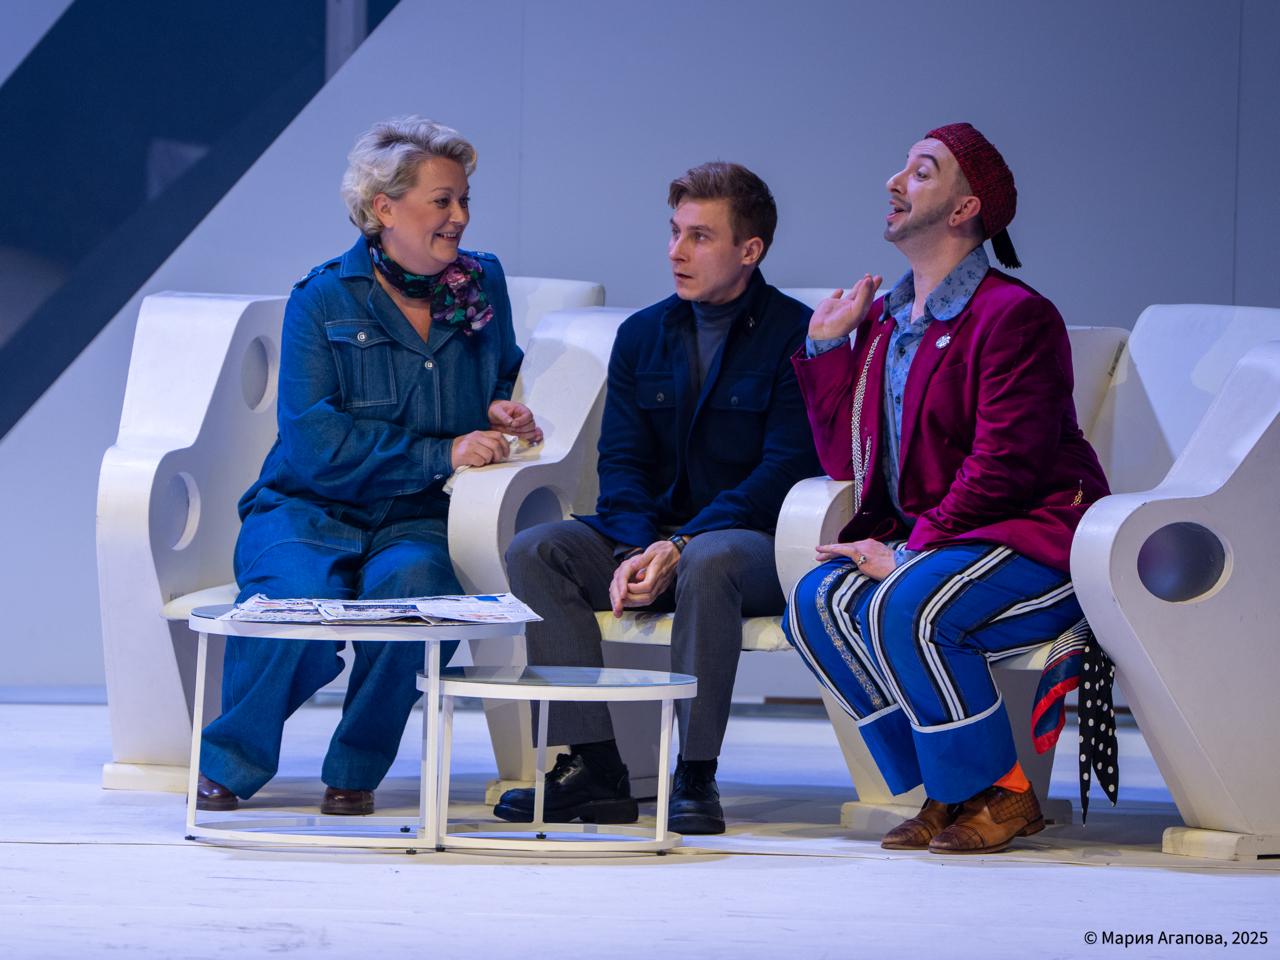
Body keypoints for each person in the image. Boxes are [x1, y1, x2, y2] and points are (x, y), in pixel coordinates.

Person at [196, 116, 540, 815]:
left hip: (419, 514)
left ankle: (355, 770)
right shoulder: (322, 297)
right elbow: (315, 443)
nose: (459, 216)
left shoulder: (483, 281)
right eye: (442, 200)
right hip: (307, 508)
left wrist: (501, 408)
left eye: (464, 199)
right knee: (287, 609)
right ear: (385, 207)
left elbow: (501, 369)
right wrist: (440, 451)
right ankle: (231, 761)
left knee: (420, 600)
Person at [784, 123, 1112, 854]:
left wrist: (910, 553)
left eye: (922, 171)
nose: (894, 182)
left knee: (908, 602)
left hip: (1038, 538)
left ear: (965, 209)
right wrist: (829, 347)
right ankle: (958, 787)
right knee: (815, 604)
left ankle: (1004, 791)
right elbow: (849, 459)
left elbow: (1005, 468)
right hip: (947, 546)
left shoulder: (1015, 315)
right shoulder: (886, 320)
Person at [496, 162, 820, 834]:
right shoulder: (643, 333)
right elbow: (621, 463)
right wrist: (637, 549)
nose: (676, 252)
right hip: (651, 537)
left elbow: (785, 471)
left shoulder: (797, 335)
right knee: (537, 551)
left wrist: (679, 544)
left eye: (700, 237)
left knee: (710, 560)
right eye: (674, 232)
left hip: (752, 545)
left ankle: (696, 774)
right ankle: (593, 767)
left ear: (750, 250)